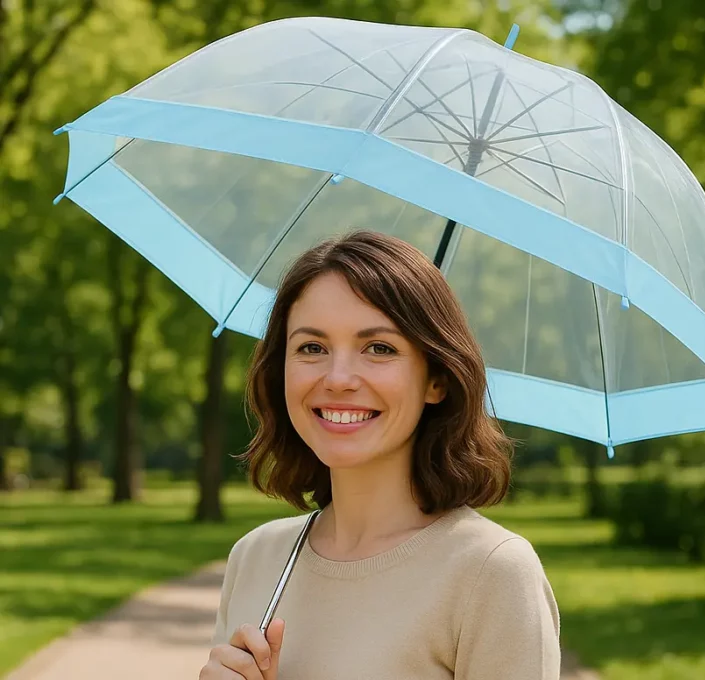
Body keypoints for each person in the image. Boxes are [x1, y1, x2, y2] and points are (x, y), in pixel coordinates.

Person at [199, 230, 561, 680]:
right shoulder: (255, 558)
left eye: (379, 348)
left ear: (437, 380)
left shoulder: (492, 572)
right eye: (312, 347)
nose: (339, 378)